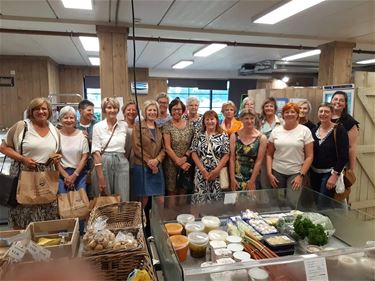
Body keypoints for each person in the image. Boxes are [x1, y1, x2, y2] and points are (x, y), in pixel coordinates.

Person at [0, 97, 61, 229]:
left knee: (47, 209)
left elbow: (57, 151)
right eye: (37, 109)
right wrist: (23, 159)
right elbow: (3, 147)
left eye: (44, 108)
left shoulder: (54, 130)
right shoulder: (22, 126)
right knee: (24, 211)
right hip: (24, 174)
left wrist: (56, 159)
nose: (41, 112)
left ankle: (45, 246)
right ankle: (22, 245)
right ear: (31, 111)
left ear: (49, 111)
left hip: (46, 176)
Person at [267, 103, 314, 191]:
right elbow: (269, 154)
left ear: (297, 114)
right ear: (283, 115)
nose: (289, 114)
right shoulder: (276, 131)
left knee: (292, 202)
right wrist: (269, 173)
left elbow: (309, 156)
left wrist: (301, 175)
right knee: (277, 201)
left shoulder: (305, 131)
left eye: (293, 112)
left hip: (296, 172)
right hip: (277, 172)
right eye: (287, 112)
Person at [91, 97, 129, 201]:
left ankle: (122, 217)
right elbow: (96, 152)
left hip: (121, 162)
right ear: (104, 109)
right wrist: (100, 177)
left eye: (115, 107)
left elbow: (128, 146)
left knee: (123, 196)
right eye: (109, 107)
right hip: (103, 162)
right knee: (105, 199)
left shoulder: (124, 125)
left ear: (118, 109)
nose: (112, 110)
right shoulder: (97, 126)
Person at [310, 103, 349, 202]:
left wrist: (335, 175)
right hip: (314, 173)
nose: (323, 114)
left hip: (329, 174)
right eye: (321, 111)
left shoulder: (339, 130)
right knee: (315, 202)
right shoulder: (314, 131)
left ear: (332, 114)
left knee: (323, 205)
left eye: (327, 111)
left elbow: (343, 155)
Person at [190, 110, 229, 203]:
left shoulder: (223, 135)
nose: (210, 121)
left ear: (216, 120)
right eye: (207, 119)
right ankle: (200, 217)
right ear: (203, 121)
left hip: (217, 173)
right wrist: (203, 170)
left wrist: (216, 171)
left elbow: (226, 155)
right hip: (201, 173)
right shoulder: (198, 134)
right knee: (200, 200)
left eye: (212, 119)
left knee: (215, 201)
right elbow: (193, 153)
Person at [132, 100, 165, 207]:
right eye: (149, 110)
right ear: (145, 112)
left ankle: (157, 223)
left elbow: (164, 149)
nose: (152, 112)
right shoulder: (138, 126)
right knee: (143, 200)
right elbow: (136, 147)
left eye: (154, 110)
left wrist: (157, 160)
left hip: (157, 167)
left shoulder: (160, 127)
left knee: (160, 200)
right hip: (142, 166)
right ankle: (142, 223)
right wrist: (149, 162)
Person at [162, 98, 194, 195]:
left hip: (186, 163)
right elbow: (167, 147)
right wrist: (178, 161)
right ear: (170, 111)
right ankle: (172, 211)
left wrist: (184, 158)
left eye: (179, 109)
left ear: (183, 110)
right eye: (174, 109)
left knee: (183, 192)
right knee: (172, 192)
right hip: (171, 163)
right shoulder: (167, 125)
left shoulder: (190, 125)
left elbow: (193, 144)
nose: (177, 111)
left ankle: (182, 211)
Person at [229, 109, 267, 191]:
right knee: (237, 202)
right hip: (237, 176)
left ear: (255, 119)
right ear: (241, 120)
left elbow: (259, 161)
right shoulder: (234, 135)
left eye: (252, 118)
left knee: (251, 202)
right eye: (246, 118)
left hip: (253, 176)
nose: (249, 121)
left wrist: (252, 181)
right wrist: (232, 178)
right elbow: (232, 158)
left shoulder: (261, 138)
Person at [57, 106, 89, 192]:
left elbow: (85, 157)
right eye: (65, 117)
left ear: (75, 120)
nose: (69, 120)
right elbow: (54, 158)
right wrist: (66, 176)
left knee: (80, 201)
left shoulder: (82, 136)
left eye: (72, 118)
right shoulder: (56, 135)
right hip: (61, 173)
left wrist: (74, 175)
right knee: (63, 200)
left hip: (79, 173)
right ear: (60, 119)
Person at [331, 91, 359, 171]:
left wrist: (351, 169)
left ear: (345, 104)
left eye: (341, 100)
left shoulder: (350, 122)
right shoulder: (325, 117)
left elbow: (352, 147)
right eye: (335, 99)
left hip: (339, 165)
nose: (338, 102)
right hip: (322, 164)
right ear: (331, 101)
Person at [259, 97, 282, 189]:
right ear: (263, 108)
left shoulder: (282, 122)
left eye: (271, 106)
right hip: (264, 158)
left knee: (278, 185)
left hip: (278, 157)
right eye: (266, 106)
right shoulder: (259, 123)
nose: (269, 108)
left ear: (275, 108)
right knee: (265, 184)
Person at [76, 99, 97, 199]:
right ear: (80, 111)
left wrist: (90, 140)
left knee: (93, 191)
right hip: (78, 162)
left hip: (93, 162)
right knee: (80, 191)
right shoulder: (73, 126)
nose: (91, 113)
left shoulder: (97, 125)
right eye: (89, 110)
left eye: (92, 110)